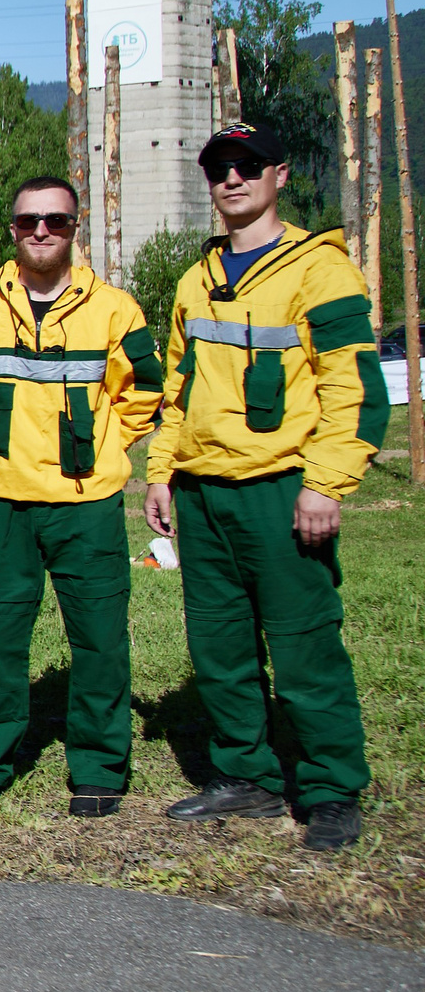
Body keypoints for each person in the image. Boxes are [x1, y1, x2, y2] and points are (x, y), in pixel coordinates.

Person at [146, 123, 386, 852]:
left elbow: (356, 389)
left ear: (279, 174)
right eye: (219, 168)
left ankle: (332, 786)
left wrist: (327, 483)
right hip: (203, 489)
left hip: (283, 488)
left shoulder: (320, 269)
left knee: (304, 643)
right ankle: (245, 775)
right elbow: (177, 390)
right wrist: (161, 469)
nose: (232, 179)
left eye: (247, 166)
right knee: (218, 644)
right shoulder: (199, 277)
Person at [0, 178, 162, 815]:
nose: (41, 231)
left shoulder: (117, 309)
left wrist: (106, 449)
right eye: (28, 221)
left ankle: (98, 766)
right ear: (12, 229)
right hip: (3, 501)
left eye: (57, 221)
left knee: (99, 638)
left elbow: (145, 392)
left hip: (88, 504)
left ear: (77, 226)